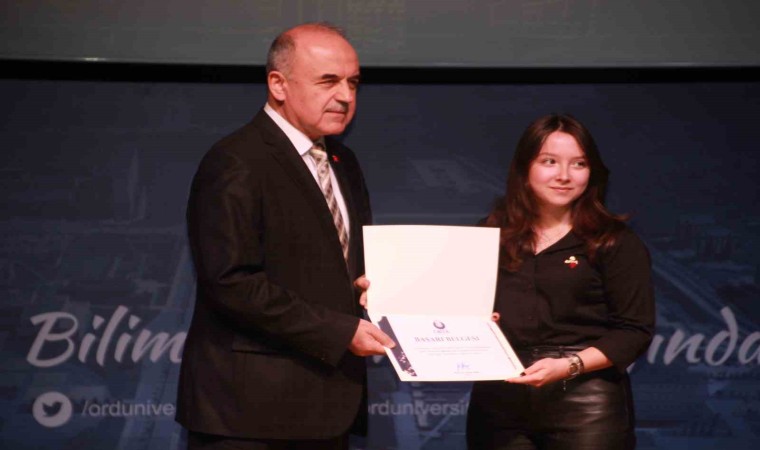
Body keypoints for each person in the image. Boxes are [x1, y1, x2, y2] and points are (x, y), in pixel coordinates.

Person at [176, 22, 394, 450]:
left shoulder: (343, 161)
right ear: (278, 84)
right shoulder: (236, 161)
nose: (346, 96)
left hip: (326, 408)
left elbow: (344, 266)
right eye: (328, 81)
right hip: (250, 416)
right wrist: (340, 331)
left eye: (353, 82)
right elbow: (231, 283)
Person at [466, 114, 656, 450]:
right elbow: (456, 305)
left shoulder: (614, 241)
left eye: (579, 164)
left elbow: (634, 330)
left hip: (587, 404)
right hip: (499, 399)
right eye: (549, 162)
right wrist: (479, 322)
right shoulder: (490, 233)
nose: (564, 175)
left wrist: (569, 366)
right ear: (525, 168)